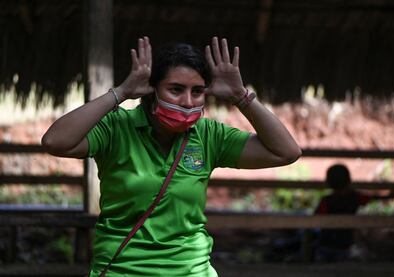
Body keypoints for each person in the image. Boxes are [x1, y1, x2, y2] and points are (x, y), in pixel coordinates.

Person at [42, 36, 301, 276]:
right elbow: (55, 142)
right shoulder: (116, 128)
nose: (188, 101)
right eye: (175, 90)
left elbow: (286, 152)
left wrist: (241, 97)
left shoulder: (209, 135)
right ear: (151, 90)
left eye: (197, 91)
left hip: (192, 271)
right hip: (123, 270)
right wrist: (120, 93)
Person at [314, 164, 394, 262]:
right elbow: (374, 198)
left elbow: (315, 218)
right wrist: (390, 195)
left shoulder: (326, 201)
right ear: (348, 180)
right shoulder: (355, 198)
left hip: (326, 243)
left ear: (328, 182)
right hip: (344, 244)